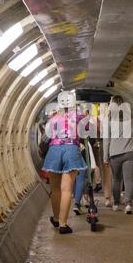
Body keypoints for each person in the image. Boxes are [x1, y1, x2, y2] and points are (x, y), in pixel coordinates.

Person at [42, 91, 87, 234]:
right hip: (71, 149)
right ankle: (63, 224)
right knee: (66, 189)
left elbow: (46, 136)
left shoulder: (53, 117)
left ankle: (56, 218)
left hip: (54, 150)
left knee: (55, 189)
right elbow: (89, 130)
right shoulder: (79, 117)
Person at [103, 95, 133, 214]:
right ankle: (128, 205)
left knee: (116, 180)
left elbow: (106, 141)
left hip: (115, 155)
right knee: (129, 180)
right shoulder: (132, 120)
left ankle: (116, 203)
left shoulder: (108, 121)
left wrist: (105, 157)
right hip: (130, 153)